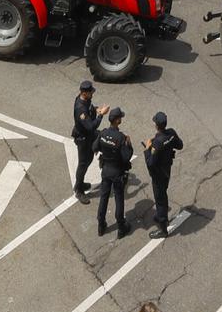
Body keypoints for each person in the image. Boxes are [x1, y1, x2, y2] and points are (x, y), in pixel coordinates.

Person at [95, 106, 134, 238]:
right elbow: (126, 156)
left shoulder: (103, 133)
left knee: (104, 197)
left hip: (105, 170)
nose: (121, 119)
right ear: (117, 120)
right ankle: (121, 226)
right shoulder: (121, 137)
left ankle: (101, 225)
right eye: (120, 117)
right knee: (118, 198)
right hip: (117, 172)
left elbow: (95, 147)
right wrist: (129, 144)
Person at [143, 111, 183, 238]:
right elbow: (180, 145)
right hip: (167, 169)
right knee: (163, 192)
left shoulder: (157, 143)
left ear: (156, 125)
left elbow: (150, 163)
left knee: (160, 199)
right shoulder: (171, 133)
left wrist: (147, 149)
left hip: (158, 173)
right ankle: (162, 215)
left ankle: (163, 228)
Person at [72, 79, 99, 201]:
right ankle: (79, 189)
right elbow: (90, 126)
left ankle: (80, 182)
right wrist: (101, 115)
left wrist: (95, 110)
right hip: (83, 138)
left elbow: (89, 111)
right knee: (83, 164)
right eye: (90, 92)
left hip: (88, 136)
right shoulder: (80, 108)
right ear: (84, 93)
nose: (92, 94)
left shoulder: (85, 100)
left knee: (88, 159)